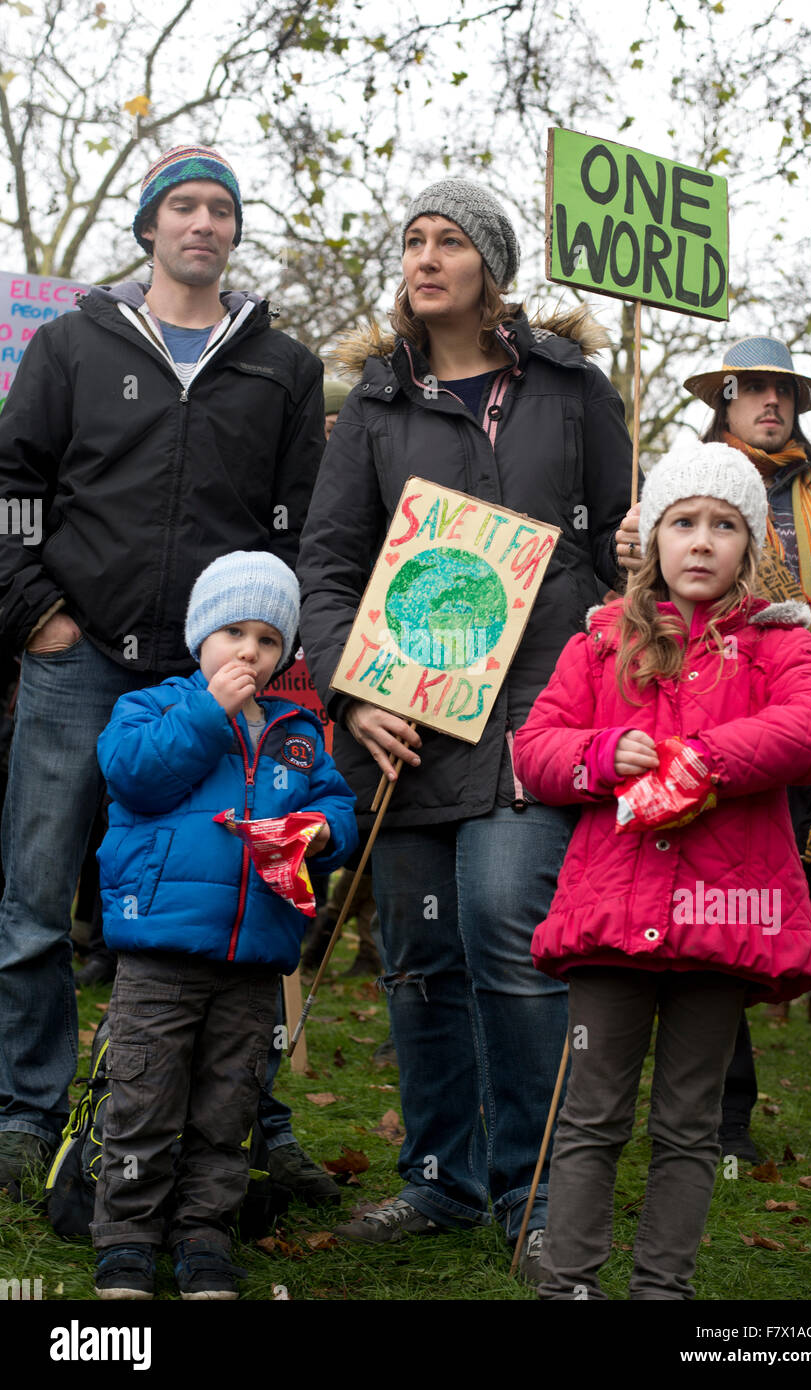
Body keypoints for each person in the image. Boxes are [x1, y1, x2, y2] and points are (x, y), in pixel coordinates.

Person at [298, 178, 637, 1279]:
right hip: (409, 728)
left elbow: (614, 540)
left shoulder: (573, 388)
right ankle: (438, 1179)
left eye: (450, 240)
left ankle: (537, 1191)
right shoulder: (374, 409)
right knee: (421, 955)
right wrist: (355, 689)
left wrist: (623, 585)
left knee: (503, 929)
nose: (426, 256)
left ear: (491, 266)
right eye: (412, 240)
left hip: (539, 714)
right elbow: (331, 567)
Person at [0, 144, 328, 1195]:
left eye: (220, 211)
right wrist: (35, 613)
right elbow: (12, 486)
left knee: (246, 883)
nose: (203, 224)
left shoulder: (283, 364)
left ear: (234, 232)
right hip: (80, 655)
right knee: (38, 895)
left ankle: (252, 1118)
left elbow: (299, 521)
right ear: (148, 226)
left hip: (225, 676)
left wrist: (267, 649)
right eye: (182, 207)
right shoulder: (70, 346)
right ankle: (24, 1110)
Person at [514, 442, 811, 1300]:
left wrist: (702, 756)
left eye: (724, 525)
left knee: (688, 1124)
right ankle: (569, 1285)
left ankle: (663, 1289)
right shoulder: (598, 645)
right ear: (654, 538)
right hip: (609, 920)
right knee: (590, 1116)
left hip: (720, 921)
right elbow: (535, 750)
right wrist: (598, 753)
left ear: (749, 547)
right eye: (683, 522)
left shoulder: (777, 645)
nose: (701, 541)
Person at [90, 551, 357, 1299]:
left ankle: (204, 1235)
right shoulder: (153, 707)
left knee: (227, 1105)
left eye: (268, 639)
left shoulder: (296, 733)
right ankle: (126, 1238)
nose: (249, 650)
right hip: (161, 953)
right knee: (143, 1099)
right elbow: (134, 773)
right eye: (233, 631)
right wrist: (208, 714)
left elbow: (338, 808)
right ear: (200, 634)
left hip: (252, 960)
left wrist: (319, 833)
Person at [684, 337, 811, 1156]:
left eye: (782, 391)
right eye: (751, 389)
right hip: (730, 734)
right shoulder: (687, 494)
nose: (769, 403)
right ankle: (724, 1127)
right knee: (723, 929)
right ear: (722, 401)